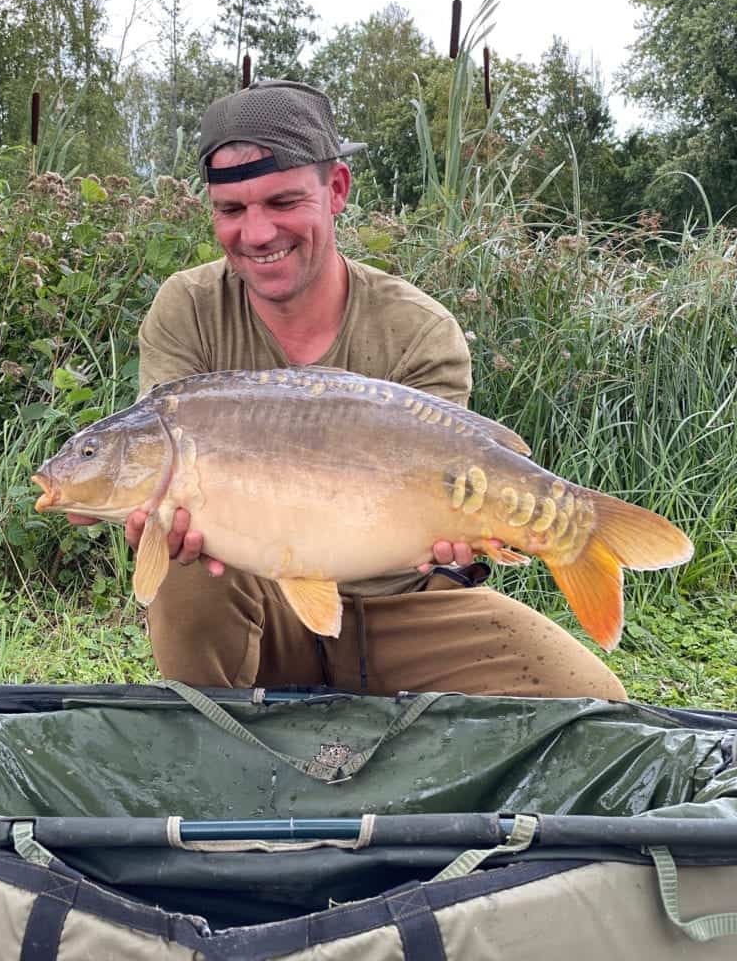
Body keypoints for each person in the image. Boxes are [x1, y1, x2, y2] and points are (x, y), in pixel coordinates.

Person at [71, 80, 626, 700]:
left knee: (592, 701)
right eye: (231, 210)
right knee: (186, 566)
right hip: (260, 602)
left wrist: (463, 541)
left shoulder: (419, 330)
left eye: (282, 201)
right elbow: (157, 477)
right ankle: (224, 740)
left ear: (336, 190)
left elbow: (446, 506)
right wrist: (137, 511)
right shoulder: (190, 309)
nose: (255, 233)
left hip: (404, 607)